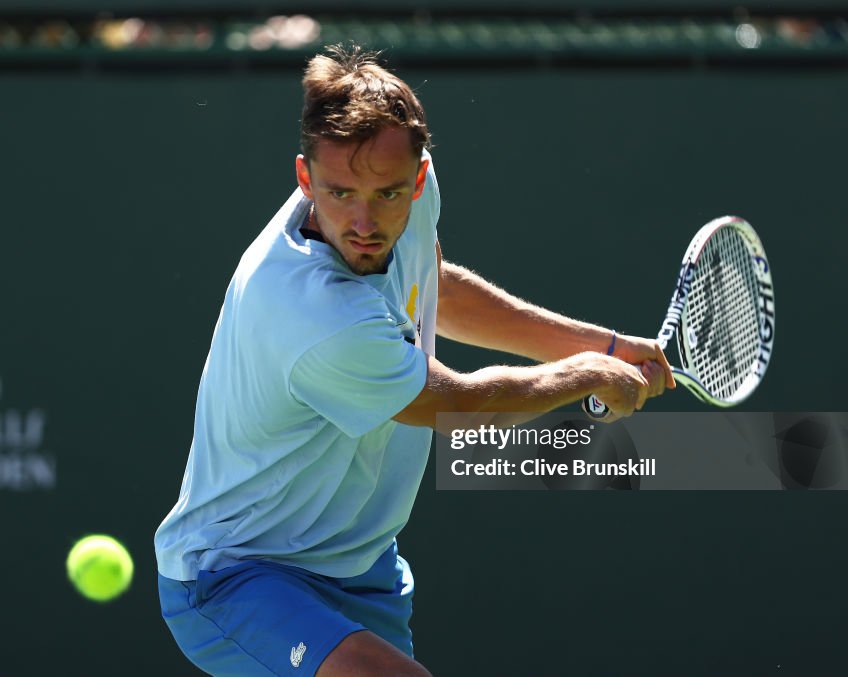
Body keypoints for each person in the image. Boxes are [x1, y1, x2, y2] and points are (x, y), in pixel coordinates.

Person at [155, 44, 674, 677]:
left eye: (388, 193)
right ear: (304, 178)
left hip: (361, 562)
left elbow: (432, 286)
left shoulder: (404, 202)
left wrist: (606, 346)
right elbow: (459, 404)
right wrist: (585, 374)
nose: (365, 220)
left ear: (419, 178)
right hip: (237, 574)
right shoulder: (313, 314)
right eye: (339, 192)